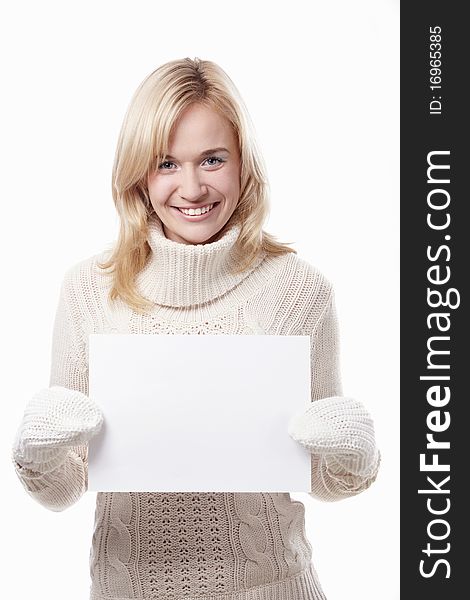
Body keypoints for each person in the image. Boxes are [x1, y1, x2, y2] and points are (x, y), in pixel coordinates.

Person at [12, 57, 380, 600]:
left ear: (242, 164)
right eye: (166, 163)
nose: (192, 187)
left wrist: (357, 454)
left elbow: (323, 476)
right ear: (137, 172)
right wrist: (35, 456)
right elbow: (68, 485)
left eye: (212, 159)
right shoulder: (89, 290)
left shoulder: (299, 291)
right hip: (128, 590)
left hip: (272, 589)